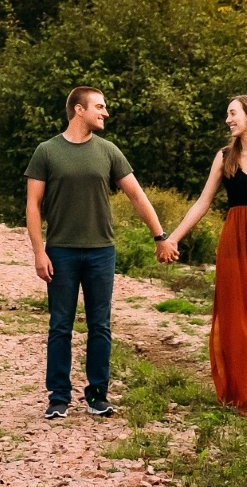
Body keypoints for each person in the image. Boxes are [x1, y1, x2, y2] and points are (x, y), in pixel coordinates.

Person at [25, 85, 173, 418]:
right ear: (79, 110)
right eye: (100, 107)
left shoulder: (108, 151)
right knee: (60, 325)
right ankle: (58, 398)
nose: (105, 113)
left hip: (101, 252)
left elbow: (137, 195)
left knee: (100, 326)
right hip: (60, 251)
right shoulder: (46, 152)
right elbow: (33, 205)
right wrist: (39, 251)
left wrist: (160, 235)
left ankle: (97, 395)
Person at [161, 93, 247, 417]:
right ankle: (242, 396)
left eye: (232, 113)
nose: (228, 120)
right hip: (235, 242)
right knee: (236, 320)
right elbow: (203, 201)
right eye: (228, 114)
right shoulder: (224, 157)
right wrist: (173, 238)